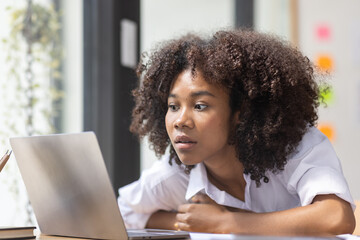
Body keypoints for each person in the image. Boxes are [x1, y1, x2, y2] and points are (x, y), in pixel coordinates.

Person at [117, 29, 356, 236]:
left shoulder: (294, 146)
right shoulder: (176, 172)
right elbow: (124, 212)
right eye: (173, 106)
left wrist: (227, 222)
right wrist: (193, 224)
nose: (180, 121)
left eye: (200, 106)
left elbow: (337, 217)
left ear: (240, 112)